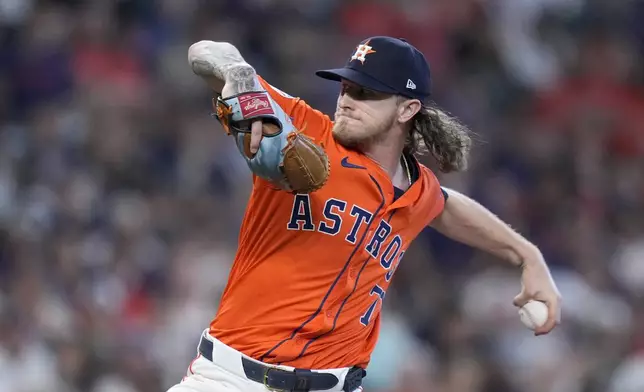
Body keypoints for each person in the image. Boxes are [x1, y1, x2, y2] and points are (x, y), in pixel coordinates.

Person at [169, 36, 561, 392]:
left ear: (408, 108)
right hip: (232, 379)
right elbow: (204, 53)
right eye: (345, 87)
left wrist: (527, 255)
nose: (347, 100)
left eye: (366, 92)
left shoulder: (418, 189)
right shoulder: (304, 128)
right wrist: (239, 75)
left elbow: (447, 207)